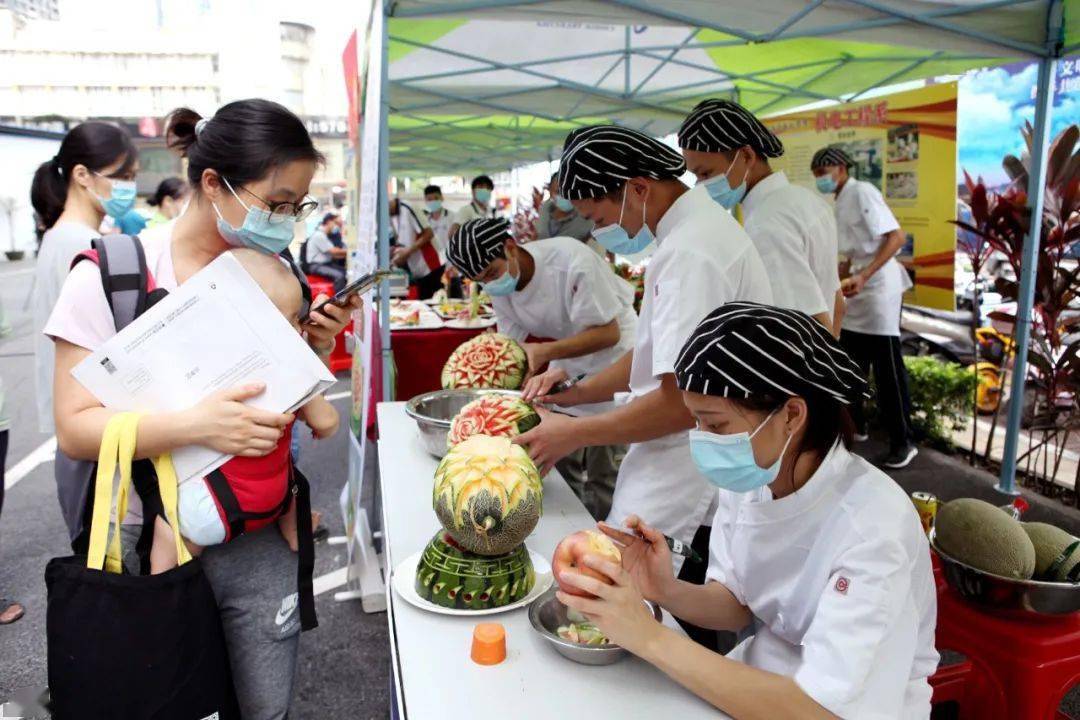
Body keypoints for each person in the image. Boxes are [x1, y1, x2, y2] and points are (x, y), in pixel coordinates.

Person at [45, 99, 356, 718]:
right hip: (148, 536)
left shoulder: (271, 270)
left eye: (299, 207)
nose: (288, 222)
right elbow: (75, 429)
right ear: (213, 183)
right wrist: (196, 425)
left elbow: (286, 393)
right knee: (169, 698)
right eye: (277, 204)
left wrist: (305, 350)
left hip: (260, 528)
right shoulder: (113, 275)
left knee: (265, 703)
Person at [558, 302, 938, 720]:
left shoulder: (872, 529)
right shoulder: (758, 476)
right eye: (696, 422)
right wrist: (664, 589)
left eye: (716, 426)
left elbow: (820, 709)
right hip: (757, 685)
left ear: (791, 415)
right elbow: (741, 600)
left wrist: (648, 636)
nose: (701, 440)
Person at [516, 125, 772, 649]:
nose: (600, 231)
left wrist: (574, 434)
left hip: (692, 454)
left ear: (636, 188)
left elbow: (683, 403)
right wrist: (579, 390)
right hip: (685, 447)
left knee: (651, 598)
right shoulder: (688, 234)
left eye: (599, 218)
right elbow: (657, 355)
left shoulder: (691, 253)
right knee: (663, 590)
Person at [150, 249, 339, 571]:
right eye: (290, 318)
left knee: (169, 539)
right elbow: (328, 421)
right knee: (291, 471)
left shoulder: (197, 368)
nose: (299, 327)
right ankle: (295, 530)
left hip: (206, 505)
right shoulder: (288, 373)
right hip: (270, 500)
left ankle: (165, 589)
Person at [447, 218, 637, 519]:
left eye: (492, 273)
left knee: (607, 468)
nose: (491, 284)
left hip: (616, 359)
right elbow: (513, 350)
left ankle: (609, 540)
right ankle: (569, 530)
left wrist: (545, 351)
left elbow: (608, 333)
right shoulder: (499, 288)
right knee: (560, 461)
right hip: (566, 361)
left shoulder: (571, 260)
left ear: (510, 247)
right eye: (481, 281)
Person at [678, 99, 842, 335]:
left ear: (746, 155)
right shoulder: (807, 201)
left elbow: (804, 323)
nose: (701, 185)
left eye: (706, 173)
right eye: (696, 176)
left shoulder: (766, 224)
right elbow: (838, 302)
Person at [811, 146, 917, 469]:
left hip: (878, 290)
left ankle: (904, 441)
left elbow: (896, 238)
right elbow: (849, 254)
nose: (821, 180)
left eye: (824, 172)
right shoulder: (840, 200)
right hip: (857, 288)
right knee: (851, 363)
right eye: (816, 175)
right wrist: (834, 280)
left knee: (888, 371)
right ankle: (857, 426)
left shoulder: (862, 192)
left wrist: (864, 275)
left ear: (842, 168)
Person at [30, 120, 138, 434]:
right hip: (92, 413)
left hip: (79, 409)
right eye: (122, 177)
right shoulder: (81, 243)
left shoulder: (59, 235)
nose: (129, 187)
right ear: (81, 176)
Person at [390, 197, 442, 299]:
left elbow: (428, 233)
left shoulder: (408, 207)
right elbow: (403, 240)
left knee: (432, 305)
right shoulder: (393, 215)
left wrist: (406, 253)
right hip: (417, 270)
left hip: (431, 265)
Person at [535, 172, 594, 243]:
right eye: (558, 192)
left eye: (569, 192)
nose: (565, 197)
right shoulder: (544, 209)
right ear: (550, 191)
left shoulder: (587, 220)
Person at [305, 212, 348, 292]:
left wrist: (348, 255)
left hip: (325, 264)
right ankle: (339, 301)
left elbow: (334, 255)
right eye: (335, 223)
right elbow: (334, 251)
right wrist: (349, 252)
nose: (337, 226)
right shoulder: (319, 235)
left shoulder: (324, 235)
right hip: (317, 266)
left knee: (345, 272)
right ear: (328, 222)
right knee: (340, 276)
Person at [423, 184, 453, 260]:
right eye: (429, 199)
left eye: (436, 198)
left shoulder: (453, 216)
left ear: (442, 198)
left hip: (451, 260)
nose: (433, 201)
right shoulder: (424, 220)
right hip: (433, 261)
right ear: (425, 201)